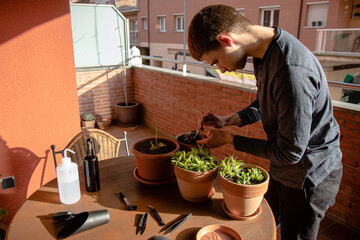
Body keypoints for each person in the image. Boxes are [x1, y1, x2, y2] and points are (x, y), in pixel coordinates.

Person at [188, 5, 343, 240]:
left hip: (309, 174)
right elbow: (263, 104)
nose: (220, 68)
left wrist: (230, 139)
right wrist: (226, 121)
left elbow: (291, 152)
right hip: (284, 167)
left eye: (216, 61)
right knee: (265, 225)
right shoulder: (263, 51)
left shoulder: (291, 72)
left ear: (226, 40)